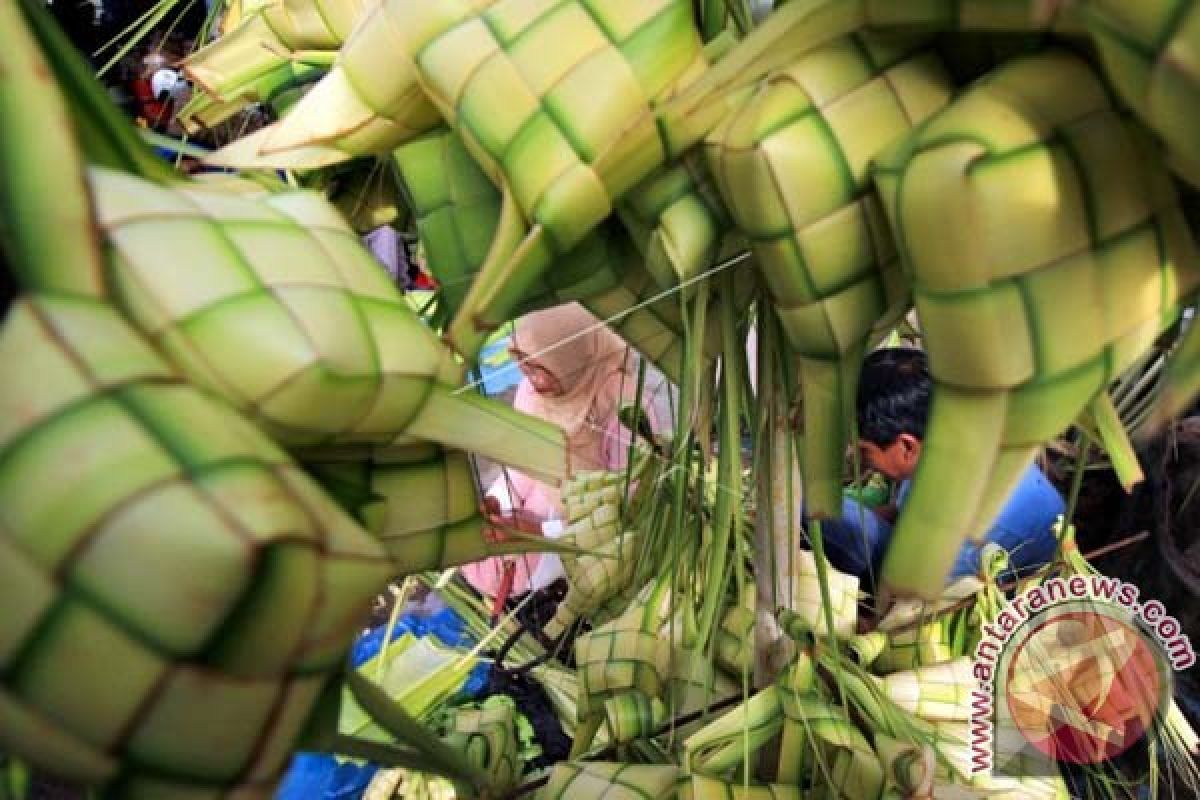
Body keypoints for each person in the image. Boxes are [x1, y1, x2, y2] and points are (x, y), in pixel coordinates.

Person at [462, 303, 666, 601]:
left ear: (571, 357)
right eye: (523, 363)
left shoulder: (625, 408)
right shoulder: (531, 392)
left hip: (589, 523)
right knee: (475, 542)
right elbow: (524, 463)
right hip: (539, 498)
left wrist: (543, 533)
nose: (529, 377)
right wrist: (501, 503)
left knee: (507, 566)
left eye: (539, 367)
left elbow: (629, 507)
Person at [818, 347, 1065, 585]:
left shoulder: (977, 527)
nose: (861, 460)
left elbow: (916, 614)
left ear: (907, 447)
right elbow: (902, 511)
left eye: (864, 451)